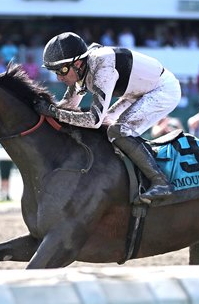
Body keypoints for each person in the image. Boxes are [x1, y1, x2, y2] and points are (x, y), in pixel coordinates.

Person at [34, 32, 181, 204]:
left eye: (62, 70)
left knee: (118, 131)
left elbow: (94, 120)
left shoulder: (102, 68)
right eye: (55, 72)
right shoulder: (80, 69)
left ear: (78, 63)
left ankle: (160, 181)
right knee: (108, 126)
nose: (59, 77)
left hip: (162, 90)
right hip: (137, 92)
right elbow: (68, 105)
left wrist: (55, 112)